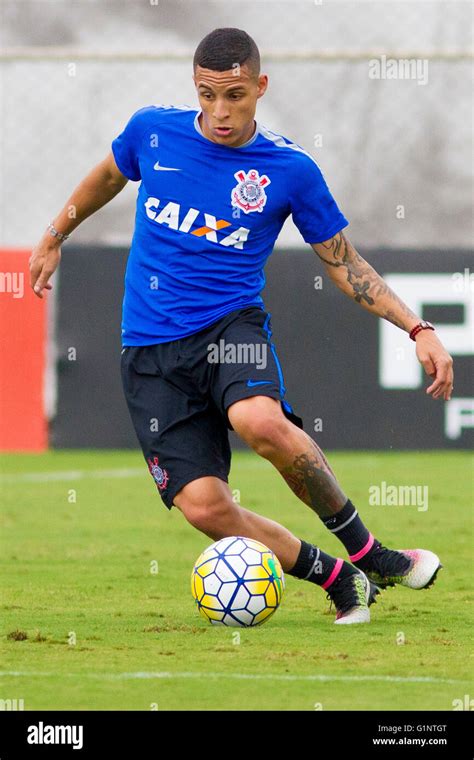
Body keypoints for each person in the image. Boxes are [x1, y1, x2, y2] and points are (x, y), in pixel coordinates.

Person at [29, 28, 453, 624]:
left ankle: (371, 552)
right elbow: (107, 175)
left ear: (260, 86)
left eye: (234, 95)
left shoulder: (288, 170)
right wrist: (55, 233)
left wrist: (418, 329)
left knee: (258, 420)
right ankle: (337, 578)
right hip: (149, 349)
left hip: (230, 328)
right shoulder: (152, 131)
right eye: (207, 95)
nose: (220, 112)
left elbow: (344, 264)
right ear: (194, 88)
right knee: (204, 508)